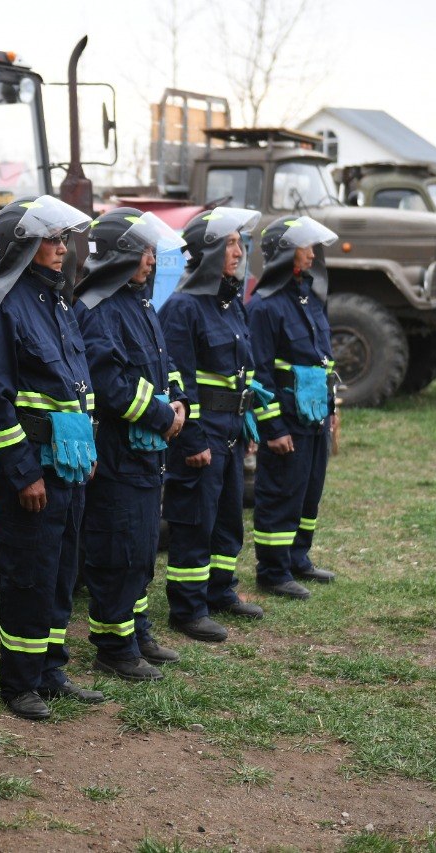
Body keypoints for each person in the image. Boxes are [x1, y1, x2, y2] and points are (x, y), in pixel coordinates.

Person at [0, 194, 104, 721]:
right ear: (23, 245)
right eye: (50, 239)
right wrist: (23, 473)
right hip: (34, 470)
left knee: (62, 570)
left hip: (68, 465)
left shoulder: (57, 301)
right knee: (29, 574)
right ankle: (20, 682)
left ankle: (51, 667)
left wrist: (85, 449)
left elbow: (75, 388)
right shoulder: (2, 307)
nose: (61, 248)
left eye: (63, 238)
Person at [73, 208, 188, 681]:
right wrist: (165, 415)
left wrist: (179, 400)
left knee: (141, 549)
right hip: (119, 453)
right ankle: (113, 648)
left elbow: (164, 366)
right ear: (118, 255)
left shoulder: (138, 303)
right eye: (142, 252)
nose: (150, 260)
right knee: (118, 550)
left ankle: (137, 631)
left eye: (150, 252)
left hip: (146, 453)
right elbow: (111, 385)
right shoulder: (99, 309)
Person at [159, 208, 267, 642]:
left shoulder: (230, 304)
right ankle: (187, 608)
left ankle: (221, 591)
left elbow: (243, 371)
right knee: (194, 520)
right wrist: (193, 439)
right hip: (202, 437)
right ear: (206, 253)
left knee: (226, 518)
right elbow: (179, 380)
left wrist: (249, 421)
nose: (238, 252)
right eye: (230, 244)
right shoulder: (183, 307)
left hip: (232, 431)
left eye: (241, 244)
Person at [246, 216, 341, 600]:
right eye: (306, 246)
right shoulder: (264, 308)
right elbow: (259, 373)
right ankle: (273, 570)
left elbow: (325, 361)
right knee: (281, 492)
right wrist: (274, 429)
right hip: (287, 419)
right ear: (286, 254)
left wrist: (331, 408)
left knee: (308, 490)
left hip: (314, 416)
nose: (313, 253)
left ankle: (298, 558)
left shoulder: (311, 298)